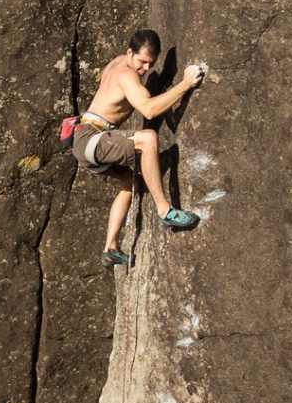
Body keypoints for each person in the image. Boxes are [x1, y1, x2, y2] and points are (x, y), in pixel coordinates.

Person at [72, 28, 204, 267]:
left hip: (85, 143)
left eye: (150, 65)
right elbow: (150, 110)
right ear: (129, 52)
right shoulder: (125, 75)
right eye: (142, 62)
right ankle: (166, 211)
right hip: (92, 138)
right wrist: (185, 85)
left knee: (128, 184)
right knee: (148, 138)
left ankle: (110, 247)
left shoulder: (116, 64)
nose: (145, 69)